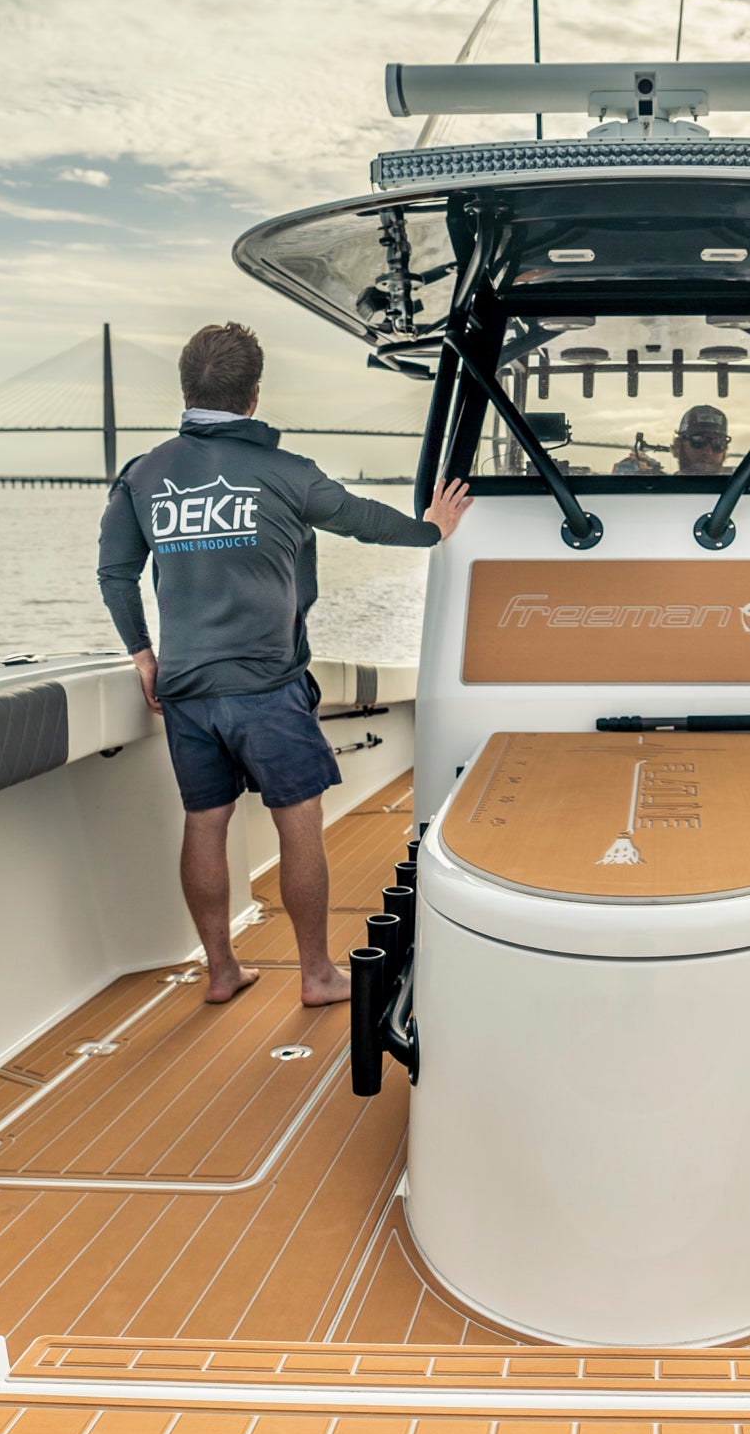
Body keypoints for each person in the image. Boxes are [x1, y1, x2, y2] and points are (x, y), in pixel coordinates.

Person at [97, 322, 472, 1006]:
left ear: (188, 388)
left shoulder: (142, 475)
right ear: (254, 395)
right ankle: (316, 973)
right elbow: (365, 519)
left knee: (205, 821)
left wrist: (144, 655)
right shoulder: (287, 472)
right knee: (296, 819)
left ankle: (220, 970)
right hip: (267, 687)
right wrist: (433, 529)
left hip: (185, 688)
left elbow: (115, 574)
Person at [610, 405, 729, 475]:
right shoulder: (658, 491)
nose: (708, 451)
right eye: (698, 441)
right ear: (678, 447)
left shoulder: (743, 495)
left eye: (718, 444)